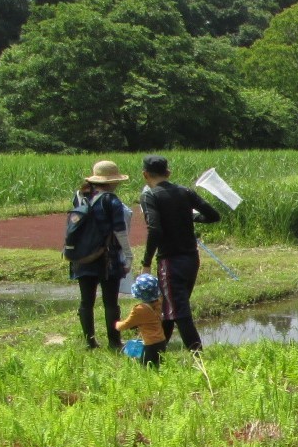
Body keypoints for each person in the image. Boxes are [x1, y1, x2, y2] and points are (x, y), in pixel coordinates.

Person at [139, 155, 221, 352]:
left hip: (170, 260)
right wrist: (191, 218)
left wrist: (146, 263)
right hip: (191, 259)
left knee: (179, 311)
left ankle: (198, 356)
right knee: (171, 307)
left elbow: (155, 229)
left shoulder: (150, 196)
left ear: (145, 175)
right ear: (168, 173)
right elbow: (213, 216)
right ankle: (156, 353)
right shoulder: (185, 191)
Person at [73, 161, 132, 351]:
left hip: (82, 257)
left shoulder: (80, 197)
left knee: (86, 302)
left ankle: (90, 342)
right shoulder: (111, 200)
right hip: (107, 257)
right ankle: (114, 342)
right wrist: (128, 256)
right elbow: (120, 231)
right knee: (110, 302)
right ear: (113, 181)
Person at [115, 274, 167, 367]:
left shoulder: (139, 309)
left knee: (145, 367)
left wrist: (117, 325)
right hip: (162, 341)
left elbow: (127, 324)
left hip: (150, 344)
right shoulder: (158, 303)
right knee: (159, 366)